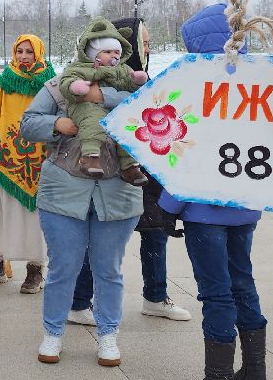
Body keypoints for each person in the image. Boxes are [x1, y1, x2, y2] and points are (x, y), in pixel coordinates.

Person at [162, 3, 268, 380]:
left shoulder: (202, 91)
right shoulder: (255, 88)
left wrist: (169, 206)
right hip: (245, 207)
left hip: (206, 210)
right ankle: (254, 374)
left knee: (216, 292)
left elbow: (189, 153)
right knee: (243, 281)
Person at [20, 46, 143, 367]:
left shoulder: (129, 83)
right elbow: (28, 124)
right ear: (86, 52)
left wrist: (101, 96)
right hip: (62, 192)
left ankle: (108, 334)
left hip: (118, 193)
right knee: (62, 268)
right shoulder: (59, 84)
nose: (111, 57)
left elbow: (148, 113)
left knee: (109, 270)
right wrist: (59, 124)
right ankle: (53, 332)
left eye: (116, 51)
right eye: (103, 51)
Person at [70, 16, 190, 325]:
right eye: (144, 43)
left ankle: (155, 296)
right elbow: (92, 103)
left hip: (145, 169)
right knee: (99, 241)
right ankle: (79, 301)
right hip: (108, 168)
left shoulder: (141, 77)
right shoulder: (93, 73)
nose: (147, 49)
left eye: (148, 43)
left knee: (154, 234)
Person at [0, 33, 55, 294]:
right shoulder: (1, 84)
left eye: (29, 52)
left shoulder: (51, 85)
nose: (24, 56)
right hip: (5, 160)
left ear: (39, 54)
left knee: (34, 217)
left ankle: (35, 270)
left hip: (38, 160)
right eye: (20, 51)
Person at [57, 18, 150, 179]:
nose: (113, 56)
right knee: (94, 120)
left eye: (116, 52)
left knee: (126, 124)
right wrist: (76, 87)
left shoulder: (121, 69)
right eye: (107, 52)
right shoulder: (81, 67)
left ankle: (129, 165)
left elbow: (131, 87)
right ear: (94, 54)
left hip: (111, 108)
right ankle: (90, 156)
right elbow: (67, 80)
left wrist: (136, 80)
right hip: (84, 106)